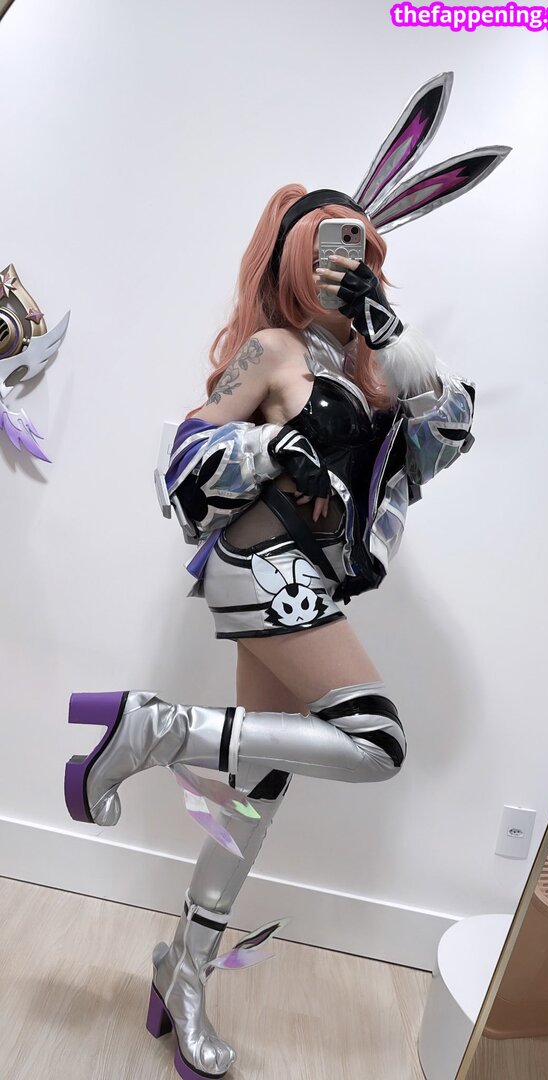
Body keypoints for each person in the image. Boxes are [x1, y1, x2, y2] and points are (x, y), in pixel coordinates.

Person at [64, 71, 508, 1080]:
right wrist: (274, 450)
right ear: (296, 256)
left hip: (309, 583)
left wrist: (386, 330)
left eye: (364, 247)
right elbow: (183, 454)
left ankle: (183, 971)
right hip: (260, 572)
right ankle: (149, 732)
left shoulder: (369, 369)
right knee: (376, 741)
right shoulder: (269, 351)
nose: (348, 258)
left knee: (252, 798)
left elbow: (448, 428)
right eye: (330, 244)